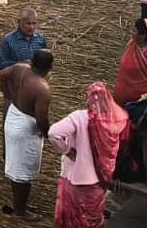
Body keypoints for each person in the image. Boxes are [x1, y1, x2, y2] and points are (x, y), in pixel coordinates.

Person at [48, 82, 129, 228]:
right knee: (92, 217)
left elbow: (53, 133)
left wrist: (67, 151)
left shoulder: (79, 118)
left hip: (77, 178)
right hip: (100, 179)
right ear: (107, 99)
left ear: (88, 99)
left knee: (73, 218)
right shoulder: (117, 120)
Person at [0, 50, 53, 221]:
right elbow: (42, 119)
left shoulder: (20, 68)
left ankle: (20, 204)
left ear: (31, 62)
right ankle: (20, 211)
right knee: (23, 172)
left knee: (16, 167)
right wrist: (47, 133)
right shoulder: (42, 89)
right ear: (49, 67)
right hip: (25, 128)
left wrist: (9, 95)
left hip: (13, 115)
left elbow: (0, 75)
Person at [113, 19, 147, 105]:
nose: (132, 33)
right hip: (122, 97)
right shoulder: (133, 46)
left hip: (140, 102)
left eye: (135, 31)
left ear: (143, 35)